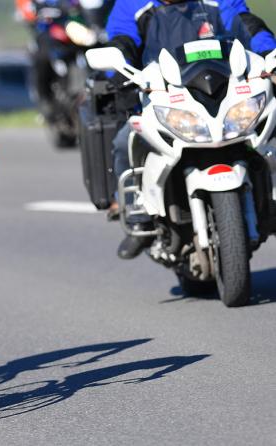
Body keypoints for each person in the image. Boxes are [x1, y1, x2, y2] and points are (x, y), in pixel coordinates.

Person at [104, 0, 276, 259]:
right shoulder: (133, 4)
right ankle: (138, 215)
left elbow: (246, 24)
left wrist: (269, 53)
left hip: (222, 87)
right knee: (123, 140)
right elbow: (121, 40)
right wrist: (119, 73)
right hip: (163, 94)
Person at [15, 0, 111, 147]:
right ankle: (44, 99)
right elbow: (26, 8)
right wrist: (35, 11)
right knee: (42, 56)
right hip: (49, 30)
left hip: (76, 27)